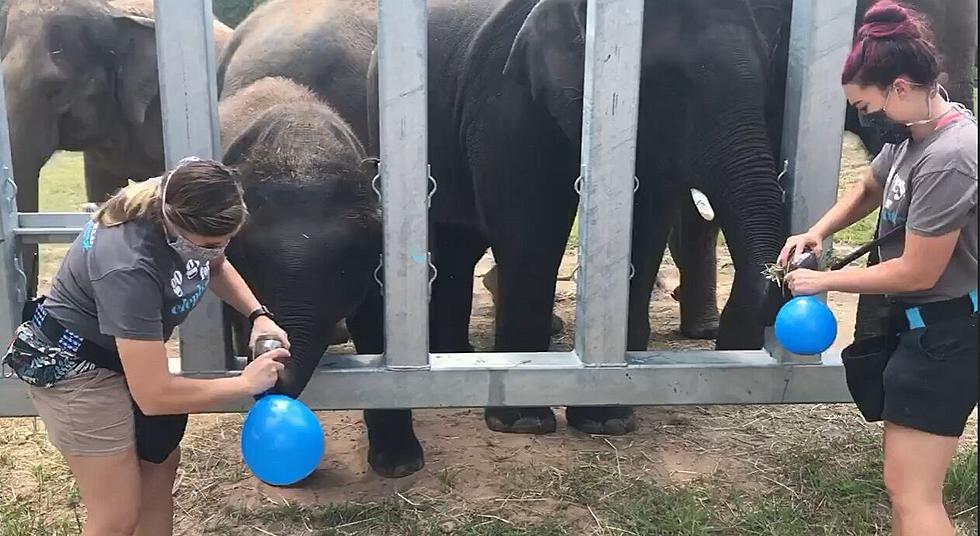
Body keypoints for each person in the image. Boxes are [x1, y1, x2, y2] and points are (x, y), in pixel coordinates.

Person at [3, 157, 291, 536]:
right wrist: (245, 384)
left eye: (225, 241)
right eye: (207, 244)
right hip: (77, 370)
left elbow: (215, 265)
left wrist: (258, 315)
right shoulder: (128, 264)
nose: (216, 250)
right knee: (117, 515)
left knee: (158, 471)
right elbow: (154, 395)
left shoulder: (179, 200)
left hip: (127, 355)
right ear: (176, 229)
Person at [777, 2, 977, 534]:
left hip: (949, 335)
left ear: (902, 86)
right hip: (919, 331)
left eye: (867, 106)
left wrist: (823, 280)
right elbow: (870, 186)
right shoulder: (914, 136)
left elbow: (917, 273)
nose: (867, 118)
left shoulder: (951, 157)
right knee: (902, 487)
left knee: (915, 496)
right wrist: (817, 231)